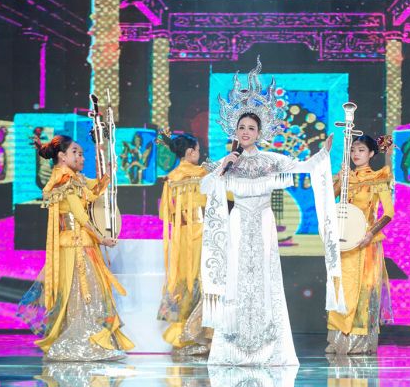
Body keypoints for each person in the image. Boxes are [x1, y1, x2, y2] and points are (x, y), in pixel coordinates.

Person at [200, 60, 346, 366]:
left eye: (251, 128)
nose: (245, 132)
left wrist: (322, 154)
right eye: (241, 127)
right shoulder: (227, 162)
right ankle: (233, 347)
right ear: (234, 130)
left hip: (264, 222)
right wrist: (224, 166)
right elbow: (206, 186)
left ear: (260, 132)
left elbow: (305, 167)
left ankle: (268, 347)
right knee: (236, 278)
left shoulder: (271, 159)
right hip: (237, 223)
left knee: (265, 280)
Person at [18, 135, 134, 361]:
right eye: (76, 153)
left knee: (90, 292)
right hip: (74, 245)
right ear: (62, 156)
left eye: (82, 153)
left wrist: (107, 164)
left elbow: (95, 190)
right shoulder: (64, 180)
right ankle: (82, 343)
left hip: (83, 243)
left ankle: (91, 341)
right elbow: (80, 216)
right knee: (82, 293)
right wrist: (101, 238)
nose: (81, 157)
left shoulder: (76, 178)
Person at [327, 134, 394, 355]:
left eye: (361, 150)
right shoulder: (348, 177)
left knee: (363, 291)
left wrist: (370, 233)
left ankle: (358, 342)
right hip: (345, 243)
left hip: (366, 243)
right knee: (341, 288)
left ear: (372, 153)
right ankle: (338, 339)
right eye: (353, 150)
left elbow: (389, 213)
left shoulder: (378, 178)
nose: (356, 154)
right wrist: (340, 179)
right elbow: (329, 200)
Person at [157, 130, 213, 355]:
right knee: (201, 277)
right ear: (190, 152)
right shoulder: (202, 174)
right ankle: (200, 333)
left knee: (182, 277)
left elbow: (164, 213)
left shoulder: (170, 178)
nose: (200, 154)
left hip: (180, 236)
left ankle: (181, 333)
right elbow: (213, 201)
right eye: (198, 150)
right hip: (199, 231)